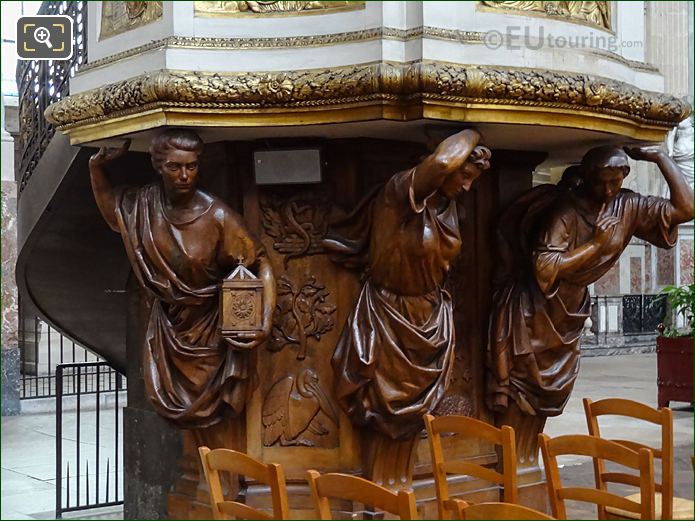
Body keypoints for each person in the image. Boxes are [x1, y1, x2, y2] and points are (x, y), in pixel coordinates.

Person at [487, 144, 694, 461]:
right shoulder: (566, 213)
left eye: (616, 181)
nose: (609, 190)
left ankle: (521, 466)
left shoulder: (625, 206)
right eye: (602, 182)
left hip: (569, 313)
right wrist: (597, 244)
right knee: (524, 395)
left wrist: (659, 158)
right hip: (538, 311)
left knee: (542, 403)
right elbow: (544, 269)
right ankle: (515, 469)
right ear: (586, 177)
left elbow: (686, 209)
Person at [324, 128, 491, 483]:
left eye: (474, 180)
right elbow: (444, 160)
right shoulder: (399, 195)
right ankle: (383, 490)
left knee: (413, 420)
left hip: (429, 318)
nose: (467, 187)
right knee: (384, 411)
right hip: (388, 318)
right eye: (464, 176)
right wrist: (474, 127)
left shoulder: (449, 208)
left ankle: (395, 486)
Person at [89, 129, 276, 431]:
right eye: (175, 167)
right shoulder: (144, 206)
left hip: (212, 331)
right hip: (168, 328)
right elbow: (113, 212)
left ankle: (220, 475)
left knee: (219, 420)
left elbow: (261, 262)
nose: (185, 175)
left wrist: (264, 321)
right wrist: (95, 168)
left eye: (191, 166)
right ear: (159, 166)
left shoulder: (217, 216)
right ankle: (205, 475)